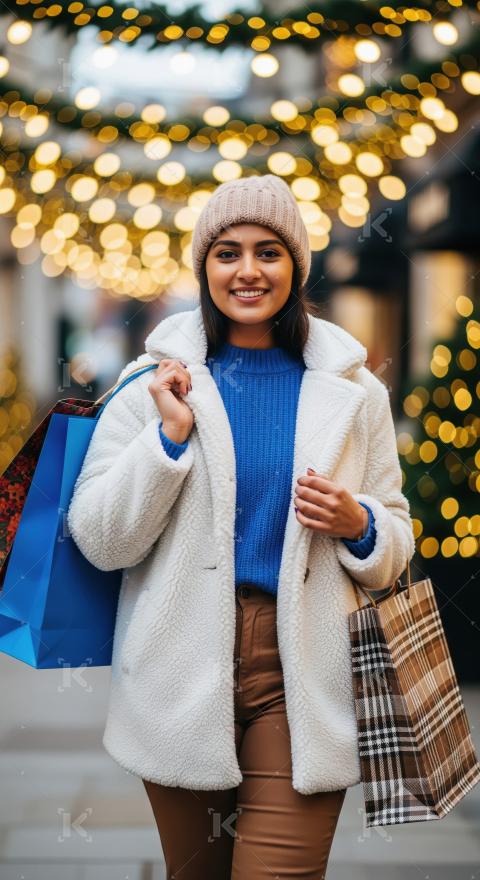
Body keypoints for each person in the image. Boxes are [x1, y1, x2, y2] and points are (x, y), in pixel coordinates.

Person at [67, 174, 415, 879]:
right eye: (227, 253)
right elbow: (101, 539)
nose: (248, 271)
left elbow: (395, 546)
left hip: (304, 669)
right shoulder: (151, 385)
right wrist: (166, 443)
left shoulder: (355, 391)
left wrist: (361, 525)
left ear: (297, 266)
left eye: (269, 251)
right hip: (180, 662)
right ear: (204, 268)